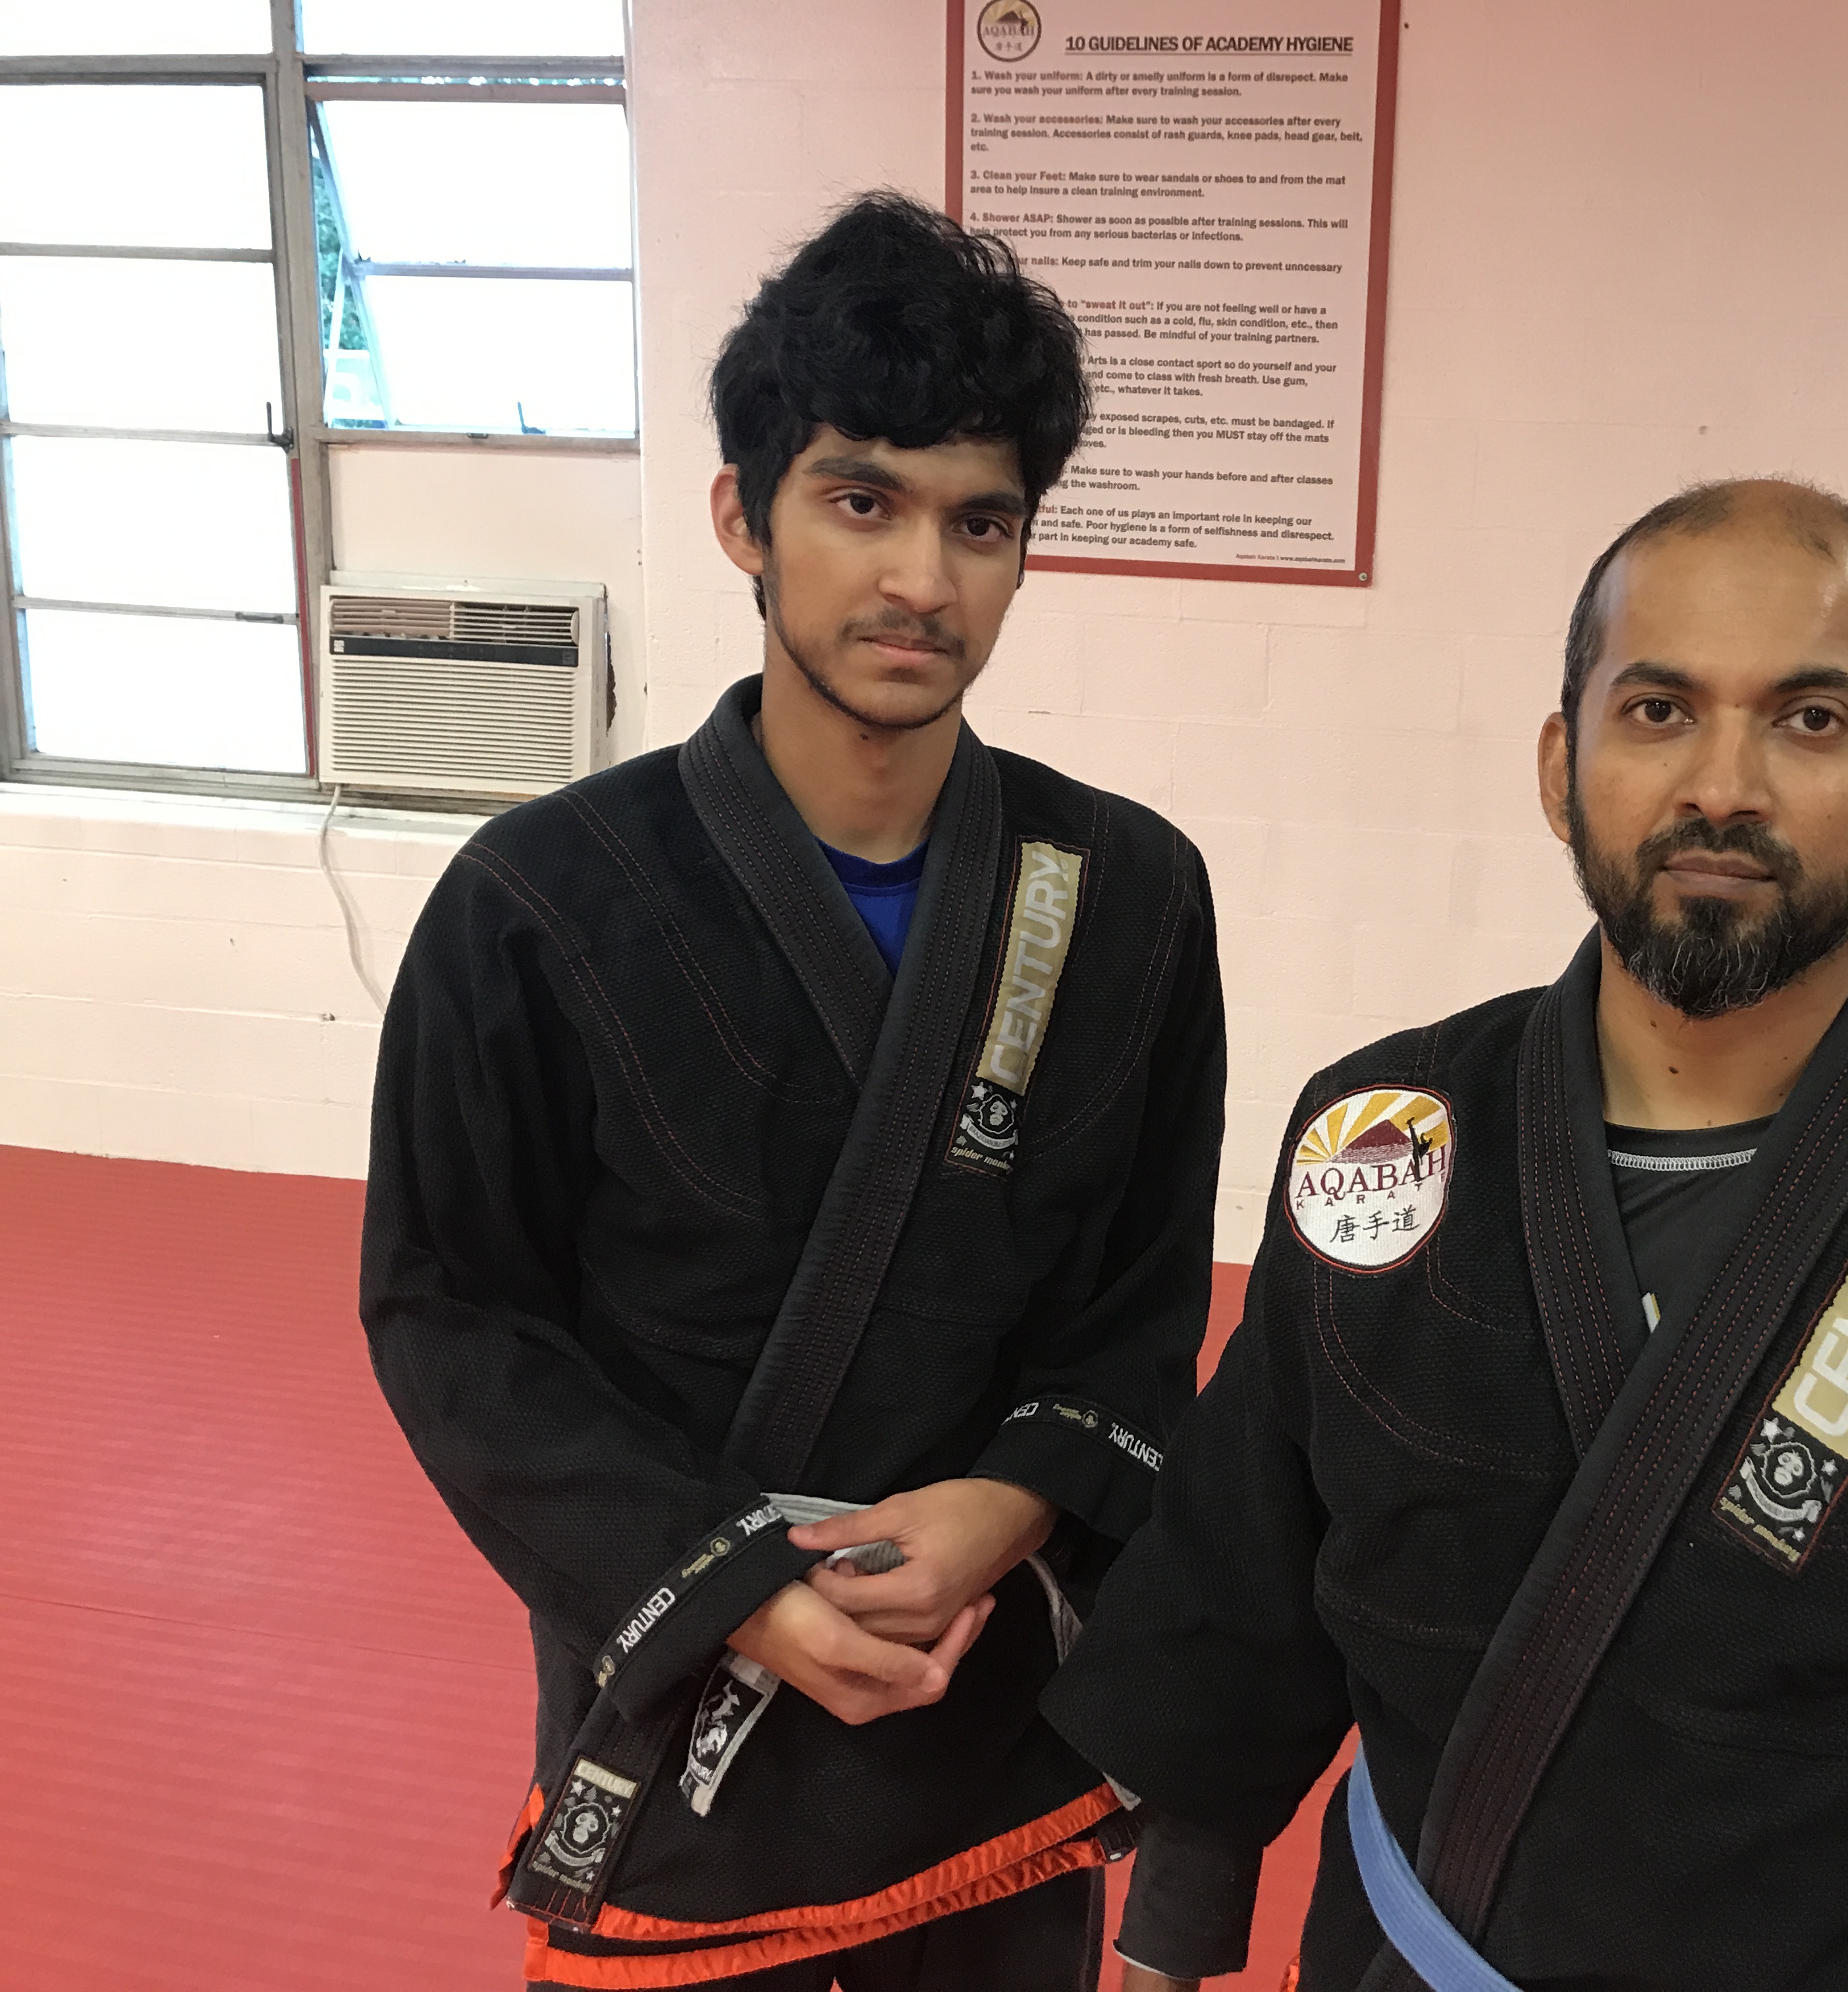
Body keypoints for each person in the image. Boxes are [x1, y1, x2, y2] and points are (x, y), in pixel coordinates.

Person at [1045, 480, 1848, 1991]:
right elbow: (1243, 1583)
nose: (1722, 785)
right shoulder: (1390, 1137)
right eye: (1659, 710)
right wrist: (1171, 1937)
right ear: (1562, 762)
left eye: (1809, 721)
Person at [362, 193, 1226, 1991]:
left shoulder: (1129, 893)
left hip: (986, 1695)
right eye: (862, 501)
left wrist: (1015, 1504)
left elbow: (1140, 1302)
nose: (923, 576)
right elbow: (455, 1318)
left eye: (980, 521)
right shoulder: (537, 907)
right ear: (742, 517)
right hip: (685, 1688)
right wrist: (736, 1578)